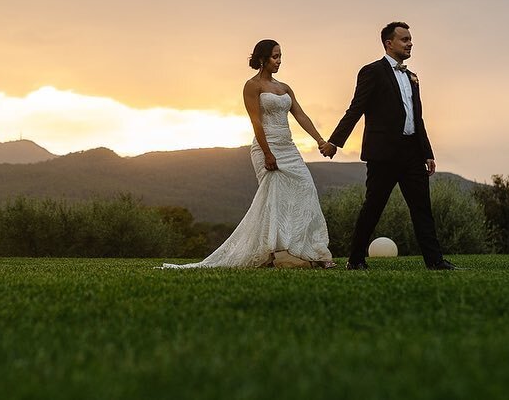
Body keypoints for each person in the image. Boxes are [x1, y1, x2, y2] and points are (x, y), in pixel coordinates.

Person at [162, 39, 335, 269]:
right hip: (267, 147)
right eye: (275, 56)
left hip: (289, 148)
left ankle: (312, 250)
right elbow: (256, 121)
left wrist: (320, 140)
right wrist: (267, 153)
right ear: (262, 58)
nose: (279, 61)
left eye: (281, 56)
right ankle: (272, 252)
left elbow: (301, 115)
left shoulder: (284, 88)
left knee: (306, 190)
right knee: (273, 200)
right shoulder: (252, 86)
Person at [321, 22, 458, 270]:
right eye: (404, 39)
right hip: (383, 154)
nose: (410, 43)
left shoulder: (411, 77)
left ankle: (435, 261)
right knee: (373, 207)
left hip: (412, 153)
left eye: (411, 40)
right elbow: (356, 108)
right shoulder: (371, 71)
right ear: (389, 43)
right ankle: (356, 259)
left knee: (422, 208)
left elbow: (418, 118)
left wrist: (427, 153)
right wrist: (334, 142)